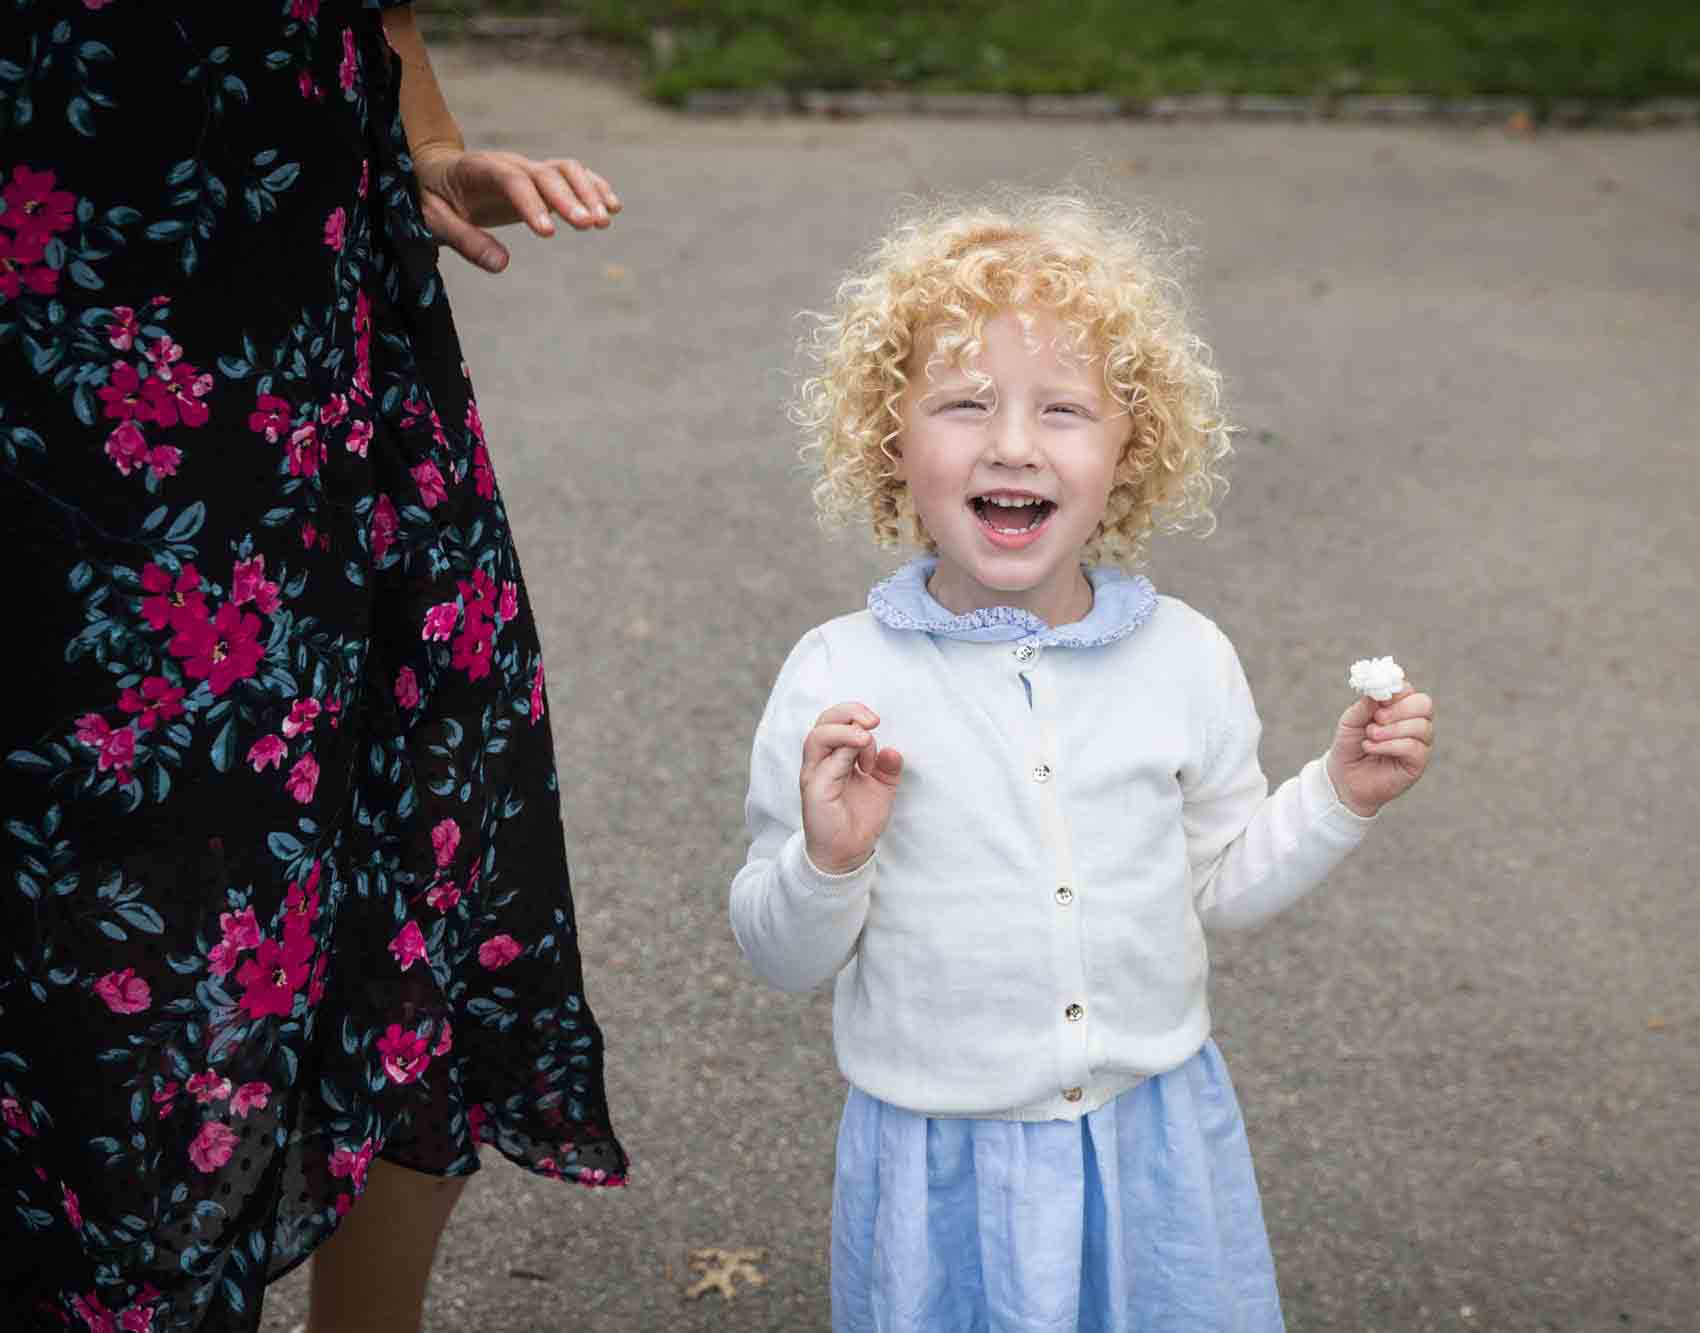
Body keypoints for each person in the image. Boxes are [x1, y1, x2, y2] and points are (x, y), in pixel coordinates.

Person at [0, 5, 627, 1330]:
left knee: (416, 850)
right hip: (48, 363)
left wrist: (431, 141)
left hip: (316, 333)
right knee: (116, 959)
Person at [729, 191, 1438, 1330]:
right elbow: (779, 955)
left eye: (1063, 408)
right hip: (939, 1151)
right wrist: (824, 859)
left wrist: (1340, 796)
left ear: (1129, 450)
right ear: (889, 441)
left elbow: (1223, 886)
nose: (1012, 442)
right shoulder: (838, 679)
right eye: (963, 404)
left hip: (1148, 1137)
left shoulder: (1185, 658)